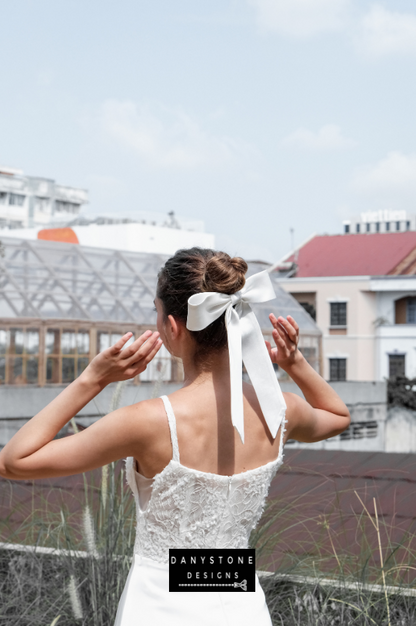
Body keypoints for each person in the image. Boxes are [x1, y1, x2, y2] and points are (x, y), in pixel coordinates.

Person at [0, 247, 350, 626]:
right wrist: (294, 362)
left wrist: (93, 379)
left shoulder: (147, 422)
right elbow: (337, 416)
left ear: (173, 326)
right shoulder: (279, 408)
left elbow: (14, 461)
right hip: (241, 605)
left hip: (160, 606)